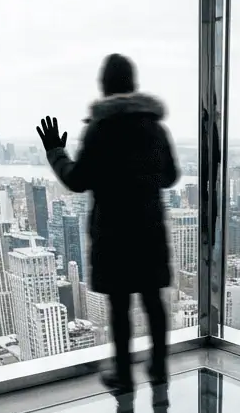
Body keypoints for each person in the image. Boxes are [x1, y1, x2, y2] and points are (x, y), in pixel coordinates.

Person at [37, 53, 178, 394]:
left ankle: (123, 376)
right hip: (149, 230)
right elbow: (171, 175)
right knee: (153, 301)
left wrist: (56, 151)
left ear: (104, 87)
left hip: (113, 234)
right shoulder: (154, 127)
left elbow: (76, 179)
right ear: (133, 84)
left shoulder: (100, 130)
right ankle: (159, 369)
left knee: (119, 307)